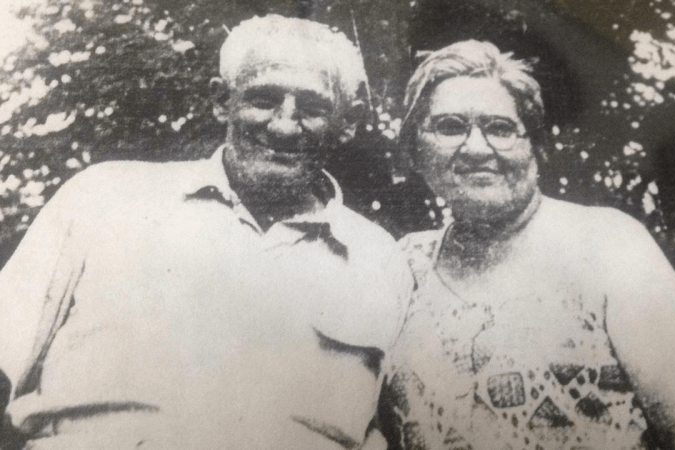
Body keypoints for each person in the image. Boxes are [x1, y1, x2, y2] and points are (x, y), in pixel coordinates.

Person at [0, 15, 412, 450]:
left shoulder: (381, 260)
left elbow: (403, 424)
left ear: (348, 122)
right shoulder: (104, 198)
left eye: (312, 108)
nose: (284, 125)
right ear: (221, 100)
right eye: (263, 99)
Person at [379, 40, 675, 450]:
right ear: (415, 149)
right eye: (450, 127)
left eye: (500, 128)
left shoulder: (606, 244)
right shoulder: (405, 266)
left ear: (535, 146)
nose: (476, 148)